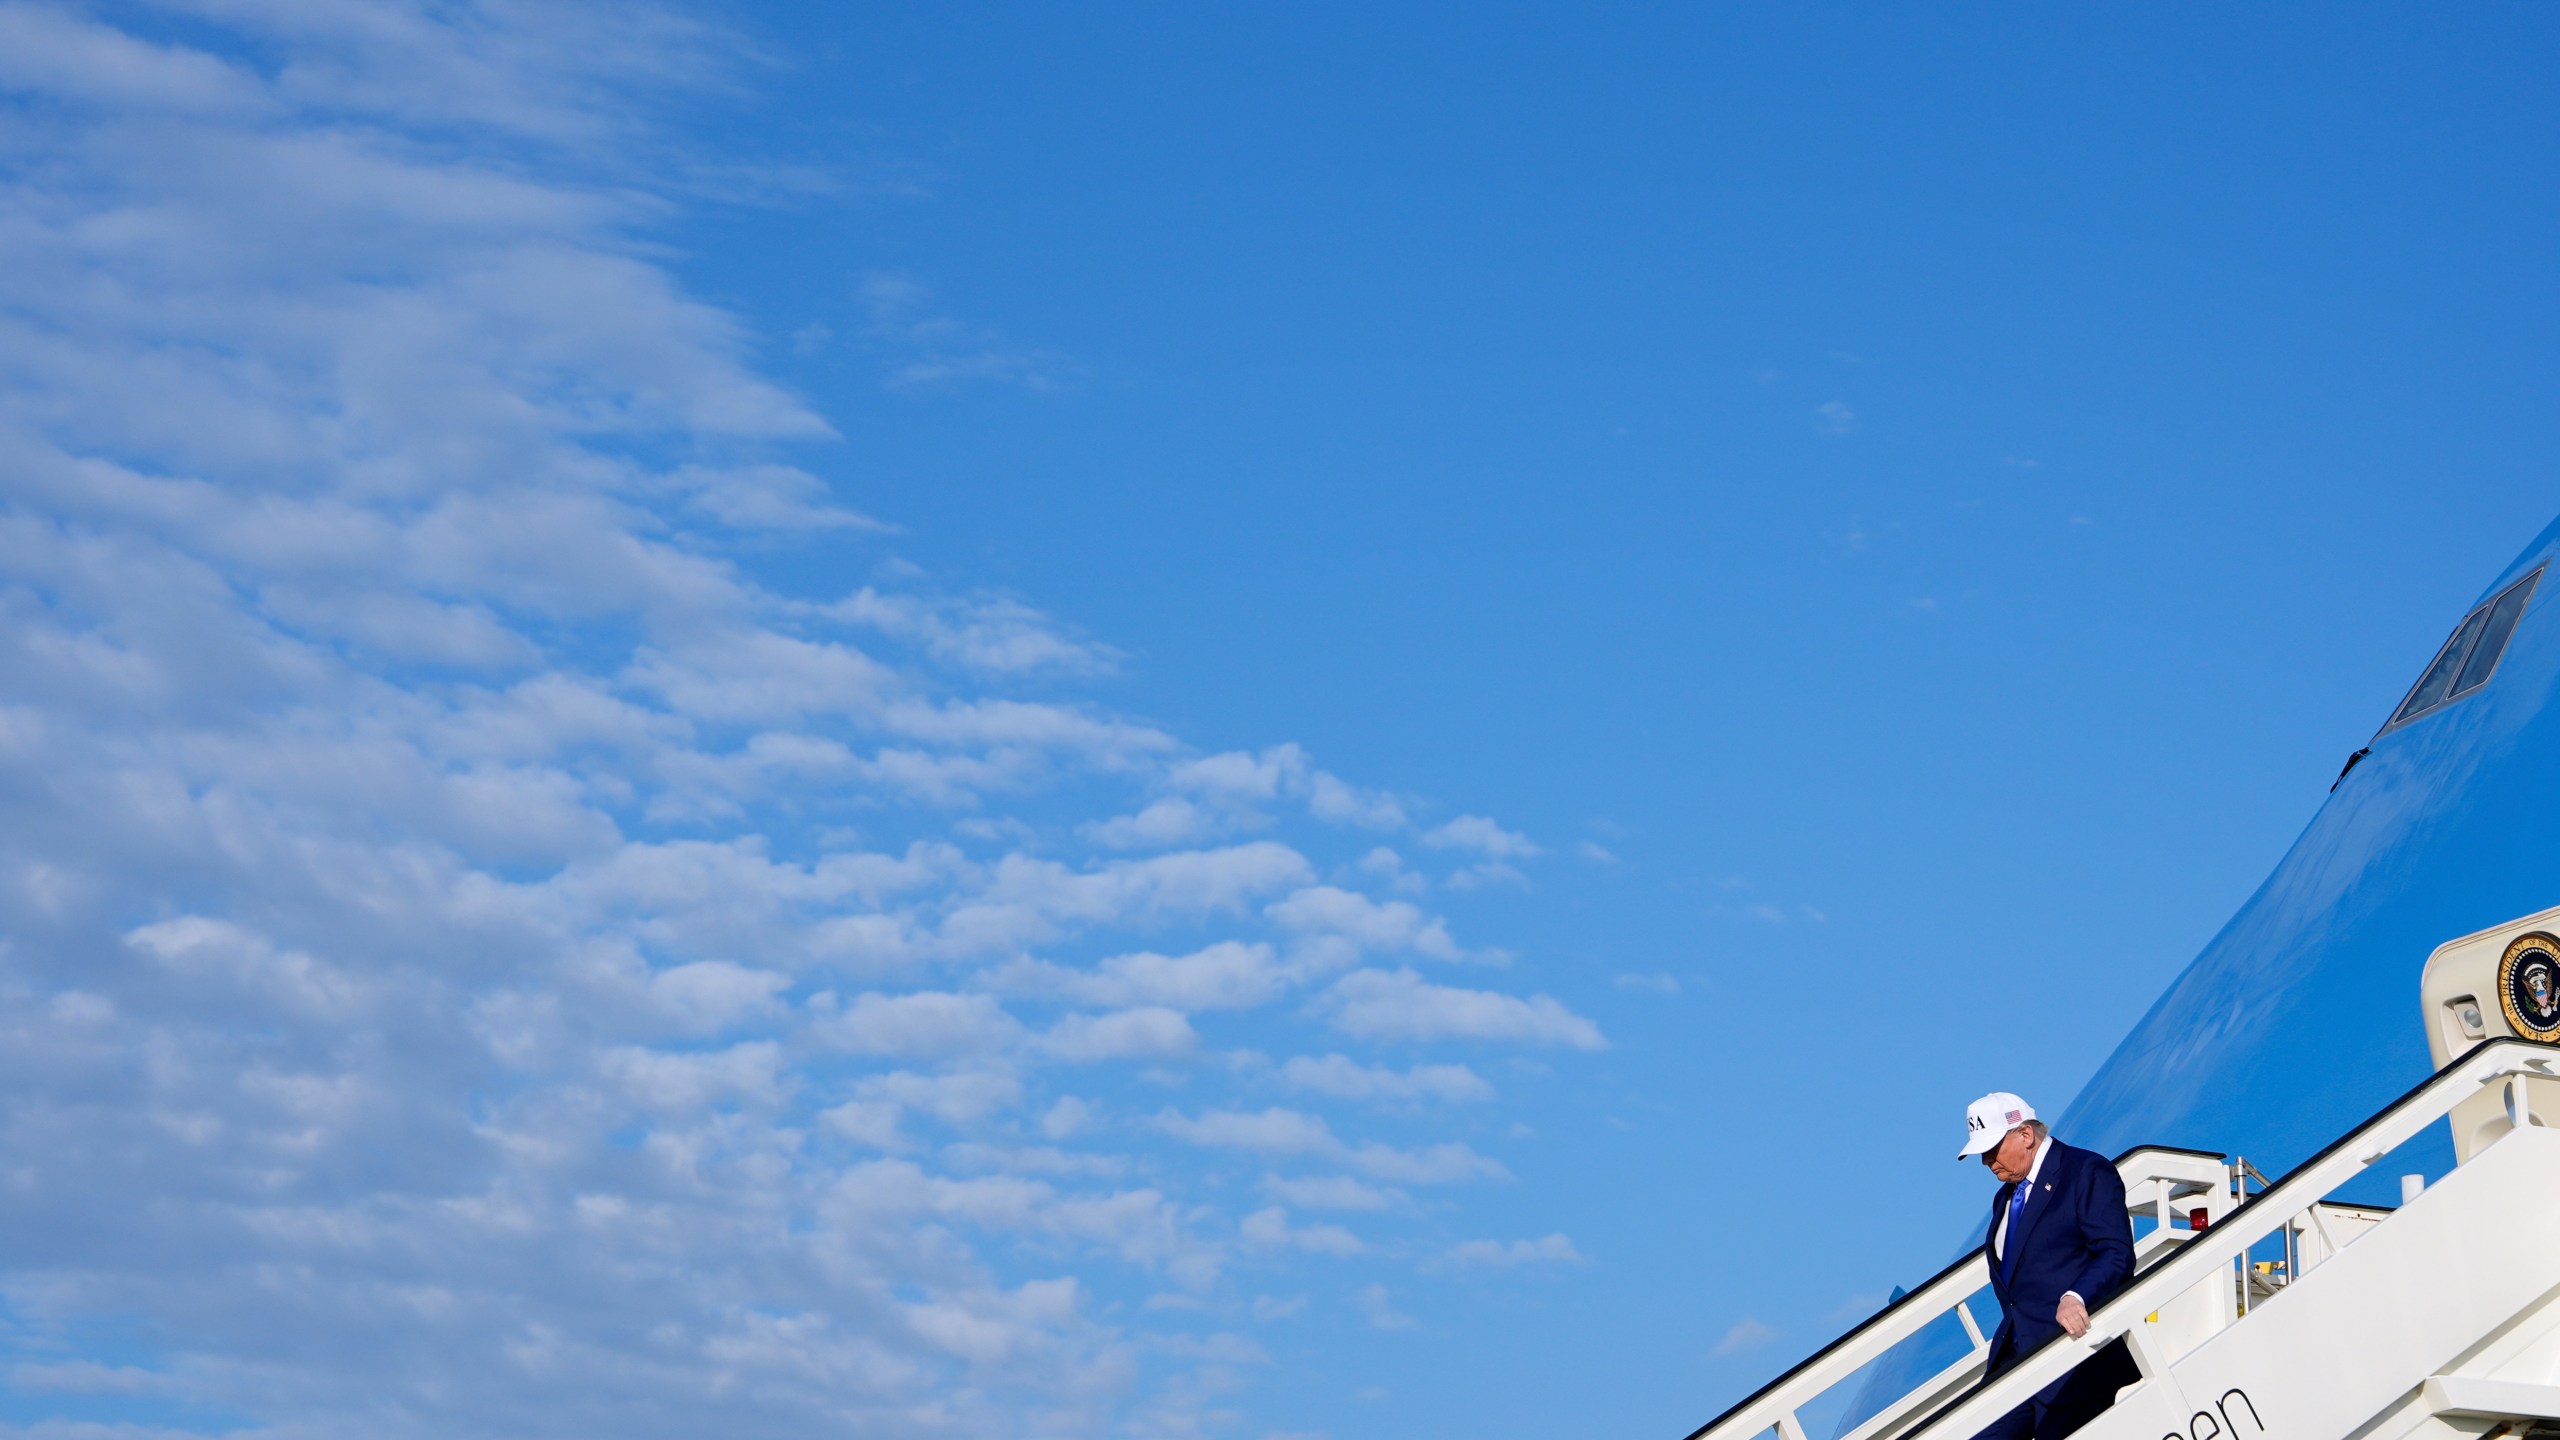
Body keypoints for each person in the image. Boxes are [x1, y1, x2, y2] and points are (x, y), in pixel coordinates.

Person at [1957, 1092, 2137, 1440]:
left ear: (2025, 1135)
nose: (1987, 1162)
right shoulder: (2005, 1197)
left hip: (2074, 1360)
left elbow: (2115, 1253)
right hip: (2018, 1360)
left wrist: (2077, 1296)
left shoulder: (2084, 1171)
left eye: (1992, 1149)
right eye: (1982, 1154)